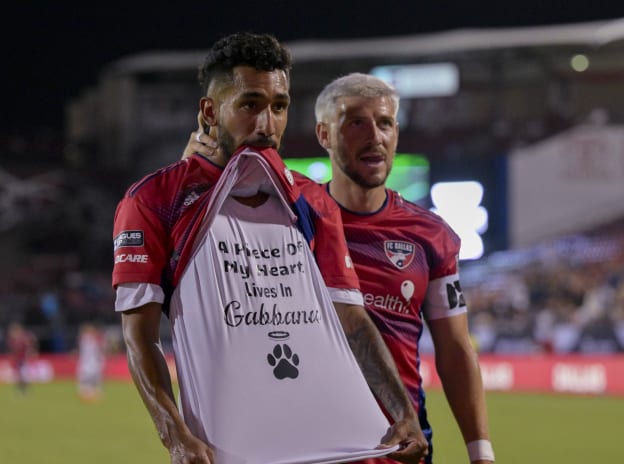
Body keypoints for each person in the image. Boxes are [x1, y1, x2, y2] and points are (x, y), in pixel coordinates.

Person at [113, 33, 427, 464]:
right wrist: (175, 436)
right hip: (229, 448)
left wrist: (403, 412)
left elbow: (351, 319)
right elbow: (140, 336)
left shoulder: (312, 202)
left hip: (320, 441)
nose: (267, 124)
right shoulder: (154, 200)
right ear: (210, 111)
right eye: (250, 105)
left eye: (279, 106)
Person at [184, 73, 494, 463]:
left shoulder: (432, 235)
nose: (375, 136)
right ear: (324, 135)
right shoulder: (287, 218)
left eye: (385, 124)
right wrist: (193, 171)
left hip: (399, 447)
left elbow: (454, 346)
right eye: (356, 123)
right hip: (310, 446)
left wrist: (480, 451)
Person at [75, 323, 107, 402]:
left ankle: (89, 395)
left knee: (88, 382)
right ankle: (91, 395)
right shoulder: (91, 340)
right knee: (92, 381)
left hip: (89, 364)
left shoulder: (85, 340)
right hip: (91, 364)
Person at [6, 322, 37, 395]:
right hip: (17, 361)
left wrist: (31, 352)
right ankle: (21, 390)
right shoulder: (12, 340)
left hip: (23, 361)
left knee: (23, 376)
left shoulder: (23, 339)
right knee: (19, 376)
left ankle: (24, 390)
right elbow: (12, 350)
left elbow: (29, 347)